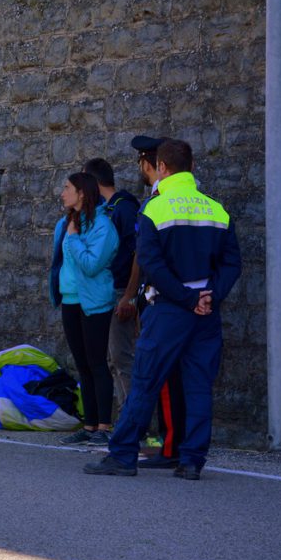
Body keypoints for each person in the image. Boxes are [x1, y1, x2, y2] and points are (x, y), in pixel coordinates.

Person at [85, 139, 241, 480]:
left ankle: (123, 455)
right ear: (192, 167)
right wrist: (209, 296)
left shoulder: (154, 209)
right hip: (206, 311)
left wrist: (186, 299)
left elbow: (152, 265)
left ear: (163, 168)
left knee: (145, 381)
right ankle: (191, 461)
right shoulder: (217, 209)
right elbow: (232, 264)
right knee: (199, 385)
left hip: (170, 309)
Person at [127, 135, 187, 469]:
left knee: (162, 377)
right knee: (179, 376)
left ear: (152, 165)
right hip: (188, 298)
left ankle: (169, 446)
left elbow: (146, 257)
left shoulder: (158, 202)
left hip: (163, 299)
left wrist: (133, 297)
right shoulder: (192, 199)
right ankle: (176, 443)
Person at [49, 172, 119, 446]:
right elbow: (59, 263)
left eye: (67, 188)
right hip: (70, 301)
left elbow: (91, 265)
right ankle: (89, 426)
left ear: (82, 193)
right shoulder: (65, 223)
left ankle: (104, 426)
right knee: (82, 365)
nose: (62, 192)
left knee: (97, 363)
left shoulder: (102, 226)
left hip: (94, 302)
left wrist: (75, 239)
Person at [82, 157, 140, 414]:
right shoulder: (103, 211)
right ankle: (124, 417)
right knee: (109, 358)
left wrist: (129, 296)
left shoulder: (124, 209)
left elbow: (139, 254)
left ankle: (134, 421)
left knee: (121, 357)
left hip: (119, 292)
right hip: (103, 293)